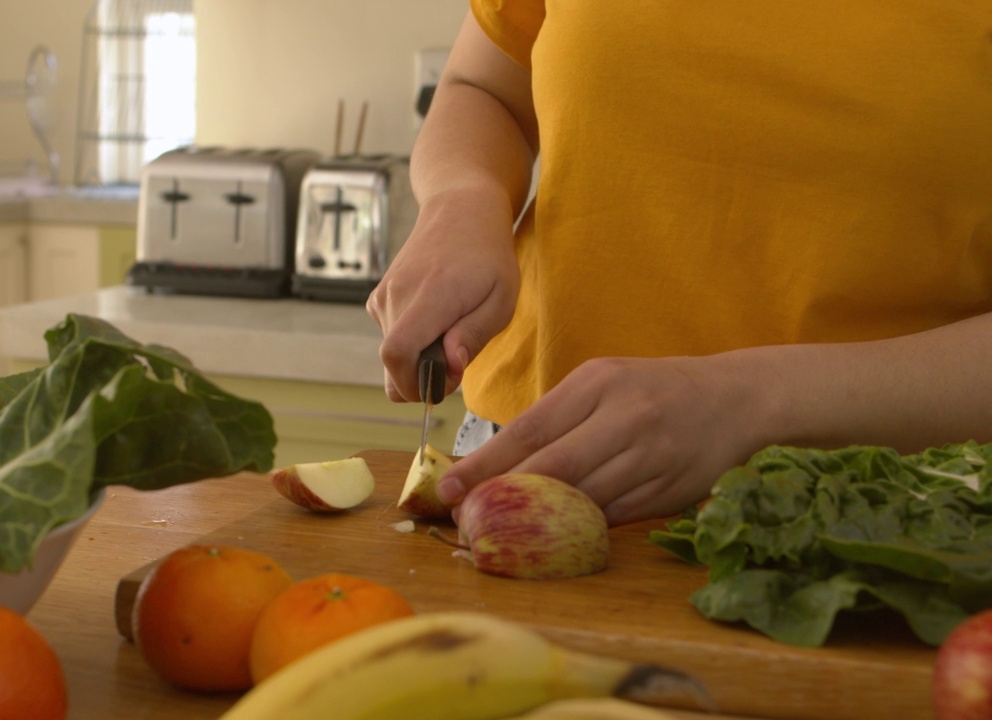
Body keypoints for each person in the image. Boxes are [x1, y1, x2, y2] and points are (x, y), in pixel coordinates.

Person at [367, 1, 992, 527]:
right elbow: (484, 88)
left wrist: (754, 402)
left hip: (888, 518)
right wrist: (462, 197)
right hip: (531, 463)